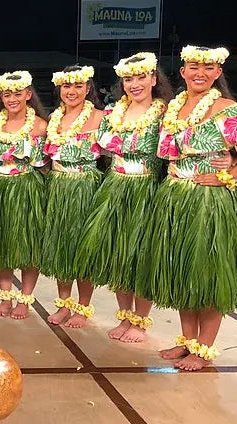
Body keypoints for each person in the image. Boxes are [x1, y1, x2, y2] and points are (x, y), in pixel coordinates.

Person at [136, 46, 237, 371]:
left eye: (208, 67)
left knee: (208, 274)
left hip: (208, 200)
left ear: (218, 72)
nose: (199, 72)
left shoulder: (228, 109)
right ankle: (187, 341)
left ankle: (204, 347)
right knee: (182, 270)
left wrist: (228, 172)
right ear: (182, 72)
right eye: (193, 67)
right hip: (174, 197)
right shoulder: (175, 108)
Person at [74, 53, 173, 342]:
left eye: (141, 77)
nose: (134, 84)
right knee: (119, 254)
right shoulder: (114, 113)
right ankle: (124, 315)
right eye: (128, 79)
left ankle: (140, 321)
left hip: (147, 190)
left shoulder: (166, 112)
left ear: (154, 79)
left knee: (141, 257)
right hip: (116, 187)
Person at [0, 71, 49, 320]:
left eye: (17, 94)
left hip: (27, 187)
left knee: (28, 245)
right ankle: (5, 296)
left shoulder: (40, 126)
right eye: (7, 95)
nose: (12, 99)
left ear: (28, 94)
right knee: (3, 243)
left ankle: (25, 298)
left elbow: (45, 165)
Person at [42, 66, 105, 329]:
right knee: (61, 248)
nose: (72, 91)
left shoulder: (102, 118)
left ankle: (83, 306)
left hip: (85, 187)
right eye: (67, 86)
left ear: (88, 88)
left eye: (78, 86)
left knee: (82, 250)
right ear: (60, 89)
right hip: (58, 186)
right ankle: (64, 303)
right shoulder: (53, 120)